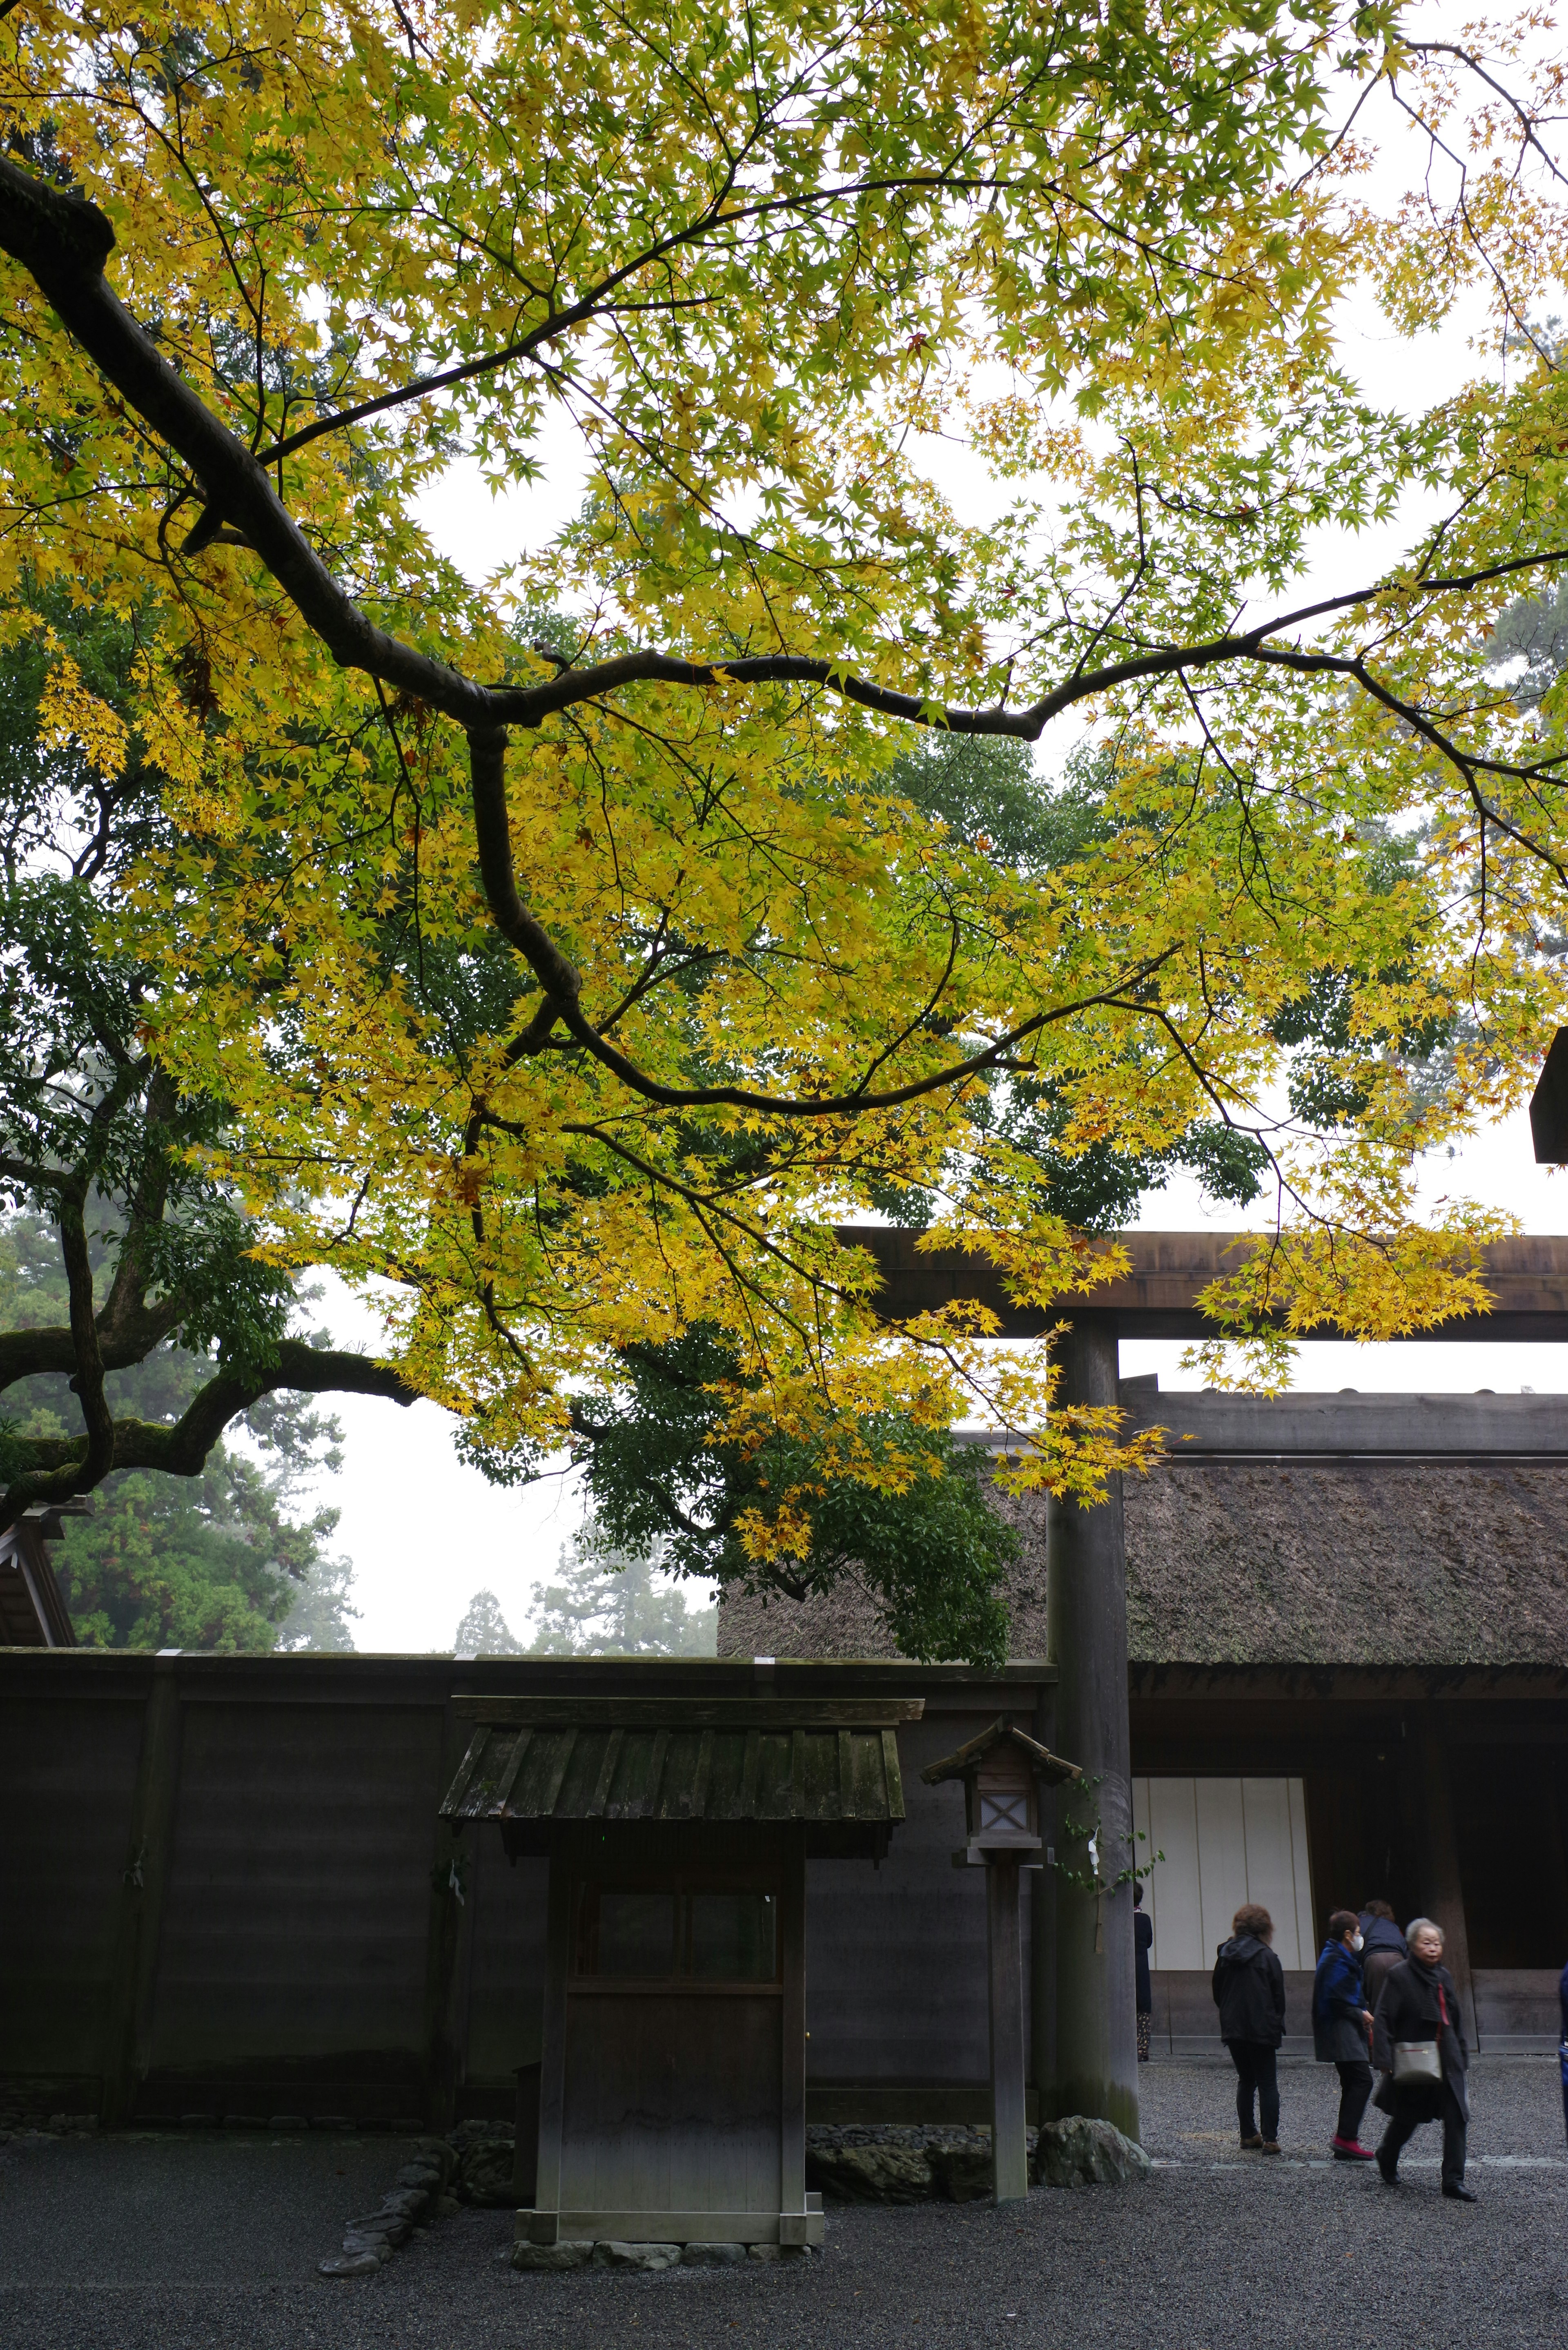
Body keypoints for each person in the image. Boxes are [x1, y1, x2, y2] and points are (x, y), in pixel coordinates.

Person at [1371, 1916, 1474, 2200]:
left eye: (1437, 1943)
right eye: (1426, 1943)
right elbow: (1382, 2017)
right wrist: (1384, 2057)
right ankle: (1387, 2154)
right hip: (1414, 2057)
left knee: (1457, 2117)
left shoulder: (1444, 1976)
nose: (1433, 1948)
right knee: (1408, 2116)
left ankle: (1453, 2181)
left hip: (1447, 2058)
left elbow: (1455, 2017)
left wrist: (1463, 2051)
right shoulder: (1399, 1975)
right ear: (1413, 1945)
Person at [1212, 1902, 1287, 2153]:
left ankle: (1247, 2135)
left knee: (1246, 2080)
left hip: (1233, 2028)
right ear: (1265, 1929)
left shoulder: (1224, 1955)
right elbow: (1279, 1998)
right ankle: (1270, 2139)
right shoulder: (1268, 1958)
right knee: (1267, 2082)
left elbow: (1217, 1993)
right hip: (1262, 2029)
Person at [1313, 1908, 1375, 2160]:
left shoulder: (1335, 1956)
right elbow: (1336, 1998)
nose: (1360, 1938)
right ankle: (1346, 2139)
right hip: (1340, 2028)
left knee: (1352, 2082)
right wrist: (1359, 2014)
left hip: (1341, 2026)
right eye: (1358, 1933)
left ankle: (1346, 2138)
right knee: (1362, 2081)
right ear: (1348, 1934)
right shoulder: (1334, 1959)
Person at [1359, 1900, 1407, 2011]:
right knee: (1398, 2003)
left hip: (1374, 1961)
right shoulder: (1394, 1927)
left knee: (1378, 2006)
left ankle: (1378, 2027)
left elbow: (1355, 1949)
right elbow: (1404, 1945)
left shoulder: (1360, 1923)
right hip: (1398, 1960)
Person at [1134, 1880, 1154, 2062]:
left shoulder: (1120, 1919)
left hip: (1123, 1966)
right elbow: (1149, 1942)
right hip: (1141, 1965)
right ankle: (1142, 2049)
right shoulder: (1145, 1919)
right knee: (1143, 2009)